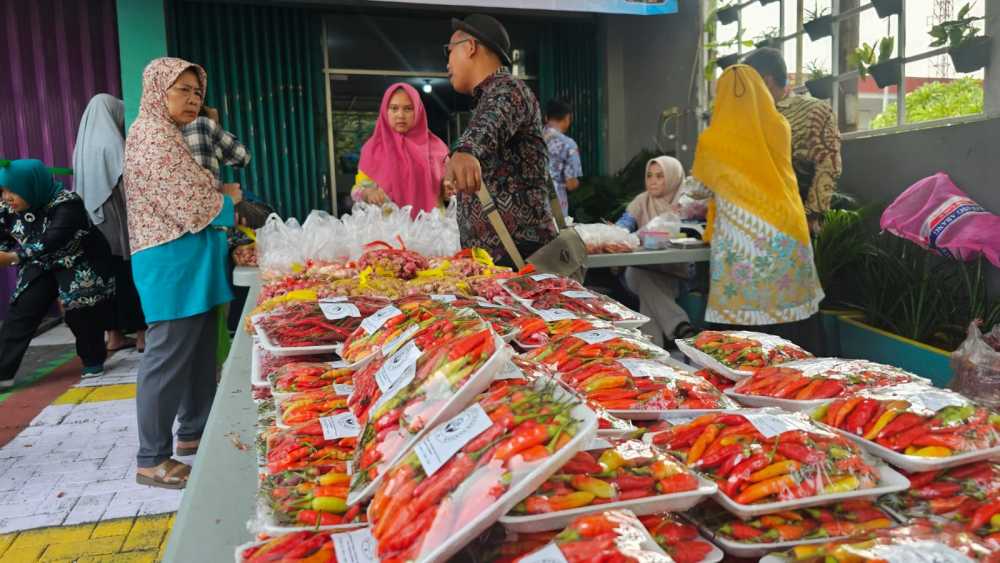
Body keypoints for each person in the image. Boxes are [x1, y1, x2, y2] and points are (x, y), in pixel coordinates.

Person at [123, 57, 242, 489]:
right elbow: (191, 200)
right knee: (168, 354)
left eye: (197, 92)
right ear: (158, 90)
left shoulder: (169, 135)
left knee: (197, 352)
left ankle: (192, 433)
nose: (193, 100)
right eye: (183, 90)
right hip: (171, 260)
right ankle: (151, 458)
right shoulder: (151, 136)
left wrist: (216, 194)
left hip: (192, 256)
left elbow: (197, 190)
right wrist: (228, 199)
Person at [691, 65, 825, 352]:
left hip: (744, 237)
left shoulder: (712, 140)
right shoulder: (779, 127)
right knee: (792, 321)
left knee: (744, 336)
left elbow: (699, 188)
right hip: (788, 228)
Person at [443, 14, 557, 265]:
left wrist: (465, 150)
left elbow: (492, 120)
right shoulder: (490, 97)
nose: (447, 63)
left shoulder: (508, 90)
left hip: (521, 262)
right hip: (505, 261)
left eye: (449, 52)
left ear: (470, 47)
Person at [0, 160, 115, 389]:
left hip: (80, 259)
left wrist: (14, 258)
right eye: (3, 191)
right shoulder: (7, 209)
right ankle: (3, 372)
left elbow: (53, 239)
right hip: (40, 263)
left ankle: (93, 359)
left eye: (13, 191)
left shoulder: (66, 203)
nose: (7, 197)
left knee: (81, 308)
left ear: (30, 186)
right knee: (23, 308)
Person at [73, 94, 147, 353]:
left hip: (94, 225)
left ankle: (114, 337)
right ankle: (141, 336)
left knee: (107, 280)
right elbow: (129, 184)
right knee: (130, 277)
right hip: (118, 224)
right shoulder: (114, 143)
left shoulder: (81, 146)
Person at [744, 48, 842, 234]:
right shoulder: (751, 115)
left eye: (750, 84)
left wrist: (811, 216)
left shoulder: (814, 111)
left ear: (766, 81)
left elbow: (828, 165)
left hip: (796, 217)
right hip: (753, 219)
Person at [615, 156, 697, 346]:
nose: (652, 181)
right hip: (642, 270)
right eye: (649, 175)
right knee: (639, 274)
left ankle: (654, 353)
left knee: (645, 286)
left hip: (677, 274)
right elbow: (624, 224)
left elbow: (695, 234)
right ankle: (679, 326)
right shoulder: (641, 201)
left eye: (660, 176)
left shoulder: (687, 204)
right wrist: (618, 234)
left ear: (673, 177)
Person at [352, 83, 451, 215]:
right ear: (385, 111)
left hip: (430, 228)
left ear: (418, 111)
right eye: (394, 108)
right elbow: (356, 191)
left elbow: (448, 189)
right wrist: (368, 193)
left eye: (408, 109)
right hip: (389, 230)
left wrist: (447, 190)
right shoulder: (372, 149)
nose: (400, 115)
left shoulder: (437, 148)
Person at [543, 98, 582, 217]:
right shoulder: (568, 144)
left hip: (530, 201)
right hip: (555, 204)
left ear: (546, 118)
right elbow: (571, 183)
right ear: (567, 118)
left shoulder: (533, 139)